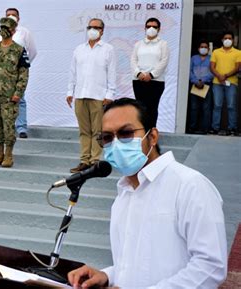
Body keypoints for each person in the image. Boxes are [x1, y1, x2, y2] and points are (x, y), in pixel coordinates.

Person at [68, 98, 227, 289]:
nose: (116, 144)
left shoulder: (190, 186)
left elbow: (210, 267)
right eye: (108, 137)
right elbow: (132, 264)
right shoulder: (123, 196)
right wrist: (107, 275)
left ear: (152, 137)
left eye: (126, 133)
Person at [66, 18, 116, 173]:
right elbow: (72, 72)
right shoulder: (79, 49)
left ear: (102, 31)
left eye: (96, 27)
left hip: (98, 95)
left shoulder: (108, 49)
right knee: (84, 130)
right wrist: (70, 92)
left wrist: (110, 93)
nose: (92, 30)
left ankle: (95, 161)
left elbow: (112, 73)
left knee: (98, 131)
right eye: (90, 27)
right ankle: (84, 160)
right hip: (80, 95)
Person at [0, 8, 37, 138]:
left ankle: (21, 128)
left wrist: (22, 66)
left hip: (15, 75)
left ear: (19, 18)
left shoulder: (24, 32)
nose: (11, 17)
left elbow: (32, 52)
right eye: (8, 15)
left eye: (14, 15)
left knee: (19, 100)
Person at [0, 17, 30, 168]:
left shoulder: (19, 51)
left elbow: (24, 74)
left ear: (14, 31)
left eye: (7, 27)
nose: (3, 30)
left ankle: (8, 155)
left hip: (10, 96)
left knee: (8, 126)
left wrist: (18, 93)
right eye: (1, 26)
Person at [131, 17, 169, 129]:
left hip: (156, 81)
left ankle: (151, 133)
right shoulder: (138, 44)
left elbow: (164, 61)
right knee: (140, 108)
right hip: (139, 80)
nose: (151, 28)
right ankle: (141, 131)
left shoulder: (163, 44)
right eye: (148, 26)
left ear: (159, 29)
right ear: (145, 28)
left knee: (152, 107)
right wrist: (138, 73)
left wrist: (151, 75)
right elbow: (133, 60)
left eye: (154, 27)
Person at [209, 31, 240, 136]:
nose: (227, 40)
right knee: (217, 105)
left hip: (231, 83)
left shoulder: (238, 52)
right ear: (222, 40)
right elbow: (212, 67)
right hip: (217, 83)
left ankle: (232, 128)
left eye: (230, 38)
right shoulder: (216, 52)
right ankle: (215, 128)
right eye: (225, 38)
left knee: (231, 106)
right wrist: (219, 76)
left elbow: (237, 67)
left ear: (233, 40)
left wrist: (225, 76)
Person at [188, 40, 214, 134]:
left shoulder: (211, 58)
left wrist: (203, 81)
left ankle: (205, 129)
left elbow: (213, 71)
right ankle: (192, 127)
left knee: (206, 108)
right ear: (199, 48)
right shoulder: (194, 58)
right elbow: (189, 70)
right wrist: (195, 81)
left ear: (208, 49)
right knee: (194, 107)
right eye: (202, 47)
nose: (203, 48)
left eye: (205, 47)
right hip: (194, 84)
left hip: (206, 85)